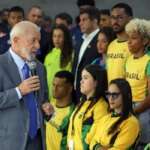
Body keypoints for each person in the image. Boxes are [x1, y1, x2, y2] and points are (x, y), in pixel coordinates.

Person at [0, 21, 52, 150]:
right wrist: (19, 91)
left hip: (37, 139)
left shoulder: (39, 67)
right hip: (9, 141)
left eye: (39, 41)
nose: (38, 46)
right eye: (33, 41)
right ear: (16, 40)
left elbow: (43, 99)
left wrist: (47, 110)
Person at [87, 78, 140, 150]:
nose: (111, 98)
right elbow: (90, 139)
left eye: (115, 94)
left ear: (126, 95)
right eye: (108, 94)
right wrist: (99, 147)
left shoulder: (131, 122)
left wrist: (96, 145)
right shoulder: (105, 118)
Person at [67, 64, 108, 150]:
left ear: (96, 82)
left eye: (85, 78)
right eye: (81, 78)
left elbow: (97, 138)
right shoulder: (82, 102)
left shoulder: (101, 107)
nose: (81, 81)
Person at [125, 18, 150, 148]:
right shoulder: (128, 60)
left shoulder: (148, 61)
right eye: (128, 37)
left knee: (142, 144)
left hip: (144, 109)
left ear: (145, 41)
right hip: (128, 106)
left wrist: (134, 110)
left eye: (133, 38)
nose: (129, 42)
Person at [72, 7, 100, 99]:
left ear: (94, 21)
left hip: (93, 92)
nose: (80, 23)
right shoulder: (80, 40)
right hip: (77, 90)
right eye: (80, 20)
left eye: (84, 20)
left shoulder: (101, 39)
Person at [46, 71, 77, 150]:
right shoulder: (48, 106)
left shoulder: (74, 113)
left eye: (59, 86)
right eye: (53, 85)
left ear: (70, 88)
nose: (54, 89)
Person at [44, 24, 73, 101]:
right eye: (54, 36)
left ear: (65, 38)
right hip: (49, 98)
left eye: (60, 36)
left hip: (63, 98)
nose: (56, 39)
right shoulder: (49, 56)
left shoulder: (71, 55)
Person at [107, 3, 133, 83]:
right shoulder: (111, 45)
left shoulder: (134, 45)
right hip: (112, 94)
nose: (115, 21)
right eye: (113, 18)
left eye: (120, 17)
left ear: (130, 19)